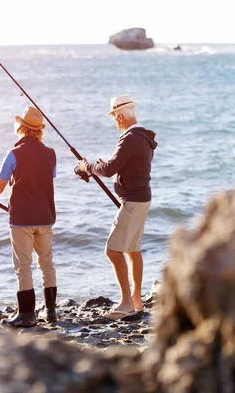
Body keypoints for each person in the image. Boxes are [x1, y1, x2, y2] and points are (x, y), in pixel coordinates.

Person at [0, 106, 57, 327]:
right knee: (47, 264)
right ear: (38, 130)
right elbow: (48, 178)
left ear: (20, 127)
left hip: (21, 219)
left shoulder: (13, 154)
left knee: (24, 266)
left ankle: (27, 315)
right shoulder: (50, 154)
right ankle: (51, 313)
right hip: (46, 216)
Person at [77, 94, 157, 321]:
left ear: (120, 116)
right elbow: (124, 166)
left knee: (113, 250)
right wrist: (100, 166)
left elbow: (111, 169)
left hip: (132, 202)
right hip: (139, 199)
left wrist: (88, 166)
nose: (114, 121)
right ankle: (136, 300)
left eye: (114, 117)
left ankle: (126, 302)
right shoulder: (142, 136)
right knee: (132, 249)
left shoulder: (130, 138)